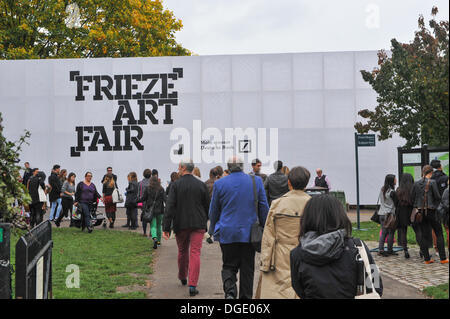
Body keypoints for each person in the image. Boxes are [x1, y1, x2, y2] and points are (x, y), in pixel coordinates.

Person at [290, 194, 383, 299]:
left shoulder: (297, 254)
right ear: (340, 215)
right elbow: (376, 285)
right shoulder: (358, 247)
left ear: (307, 217)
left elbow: (299, 289)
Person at [209, 156, 269, 299]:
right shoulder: (256, 182)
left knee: (229, 265)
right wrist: (265, 229)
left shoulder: (219, 184)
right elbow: (263, 208)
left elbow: (214, 211)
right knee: (247, 269)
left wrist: (212, 229)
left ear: (228, 168)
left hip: (227, 232)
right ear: (243, 166)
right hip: (249, 234)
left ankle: (230, 291)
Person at [256, 166, 311, 299]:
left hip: (280, 254)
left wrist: (265, 261)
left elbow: (268, 235)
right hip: (306, 251)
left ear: (289, 182)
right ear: (307, 182)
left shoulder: (277, 204)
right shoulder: (312, 204)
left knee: (278, 291)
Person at [163, 159, 210, 297]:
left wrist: (166, 227)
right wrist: (204, 220)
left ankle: (183, 276)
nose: (178, 169)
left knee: (182, 251)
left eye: (179, 167)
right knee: (195, 252)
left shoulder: (175, 185)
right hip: (198, 223)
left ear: (183, 168)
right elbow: (208, 205)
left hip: (181, 223)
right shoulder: (201, 185)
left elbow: (170, 207)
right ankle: (193, 285)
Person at [412, 165, 448, 264]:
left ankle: (427, 259)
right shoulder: (432, 182)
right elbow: (437, 197)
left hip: (420, 212)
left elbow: (413, 198)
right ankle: (443, 258)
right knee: (439, 233)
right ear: (431, 173)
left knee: (423, 235)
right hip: (431, 211)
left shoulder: (416, 183)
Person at [139, 176, 167, 248]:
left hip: (151, 210)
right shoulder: (161, 189)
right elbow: (165, 199)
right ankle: (158, 242)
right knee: (159, 226)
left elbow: (143, 198)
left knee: (153, 226)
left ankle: (154, 237)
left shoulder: (148, 188)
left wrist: (136, 201)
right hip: (160, 210)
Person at [430, 160, 449, 256]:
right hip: (446, 207)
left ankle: (436, 249)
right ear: (440, 166)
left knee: (435, 229)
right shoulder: (445, 177)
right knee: (447, 228)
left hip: (434, 207)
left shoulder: (430, 178)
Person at [377, 174, 398, 256]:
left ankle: (381, 249)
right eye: (395, 179)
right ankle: (390, 249)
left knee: (383, 232)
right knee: (391, 232)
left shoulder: (382, 189)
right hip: (389, 214)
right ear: (391, 181)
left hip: (381, 213)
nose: (396, 180)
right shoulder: (392, 192)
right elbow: (397, 203)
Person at [395, 173, 414, 258]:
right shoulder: (413, 188)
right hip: (412, 211)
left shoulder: (399, 190)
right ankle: (422, 249)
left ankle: (405, 250)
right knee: (418, 230)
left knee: (403, 231)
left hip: (402, 212)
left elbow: (396, 202)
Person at [138, 169, 152, 234]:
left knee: (144, 217)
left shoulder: (140, 183)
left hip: (143, 202)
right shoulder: (153, 183)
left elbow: (138, 194)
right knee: (152, 216)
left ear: (143, 174)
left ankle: (144, 232)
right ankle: (151, 232)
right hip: (151, 202)